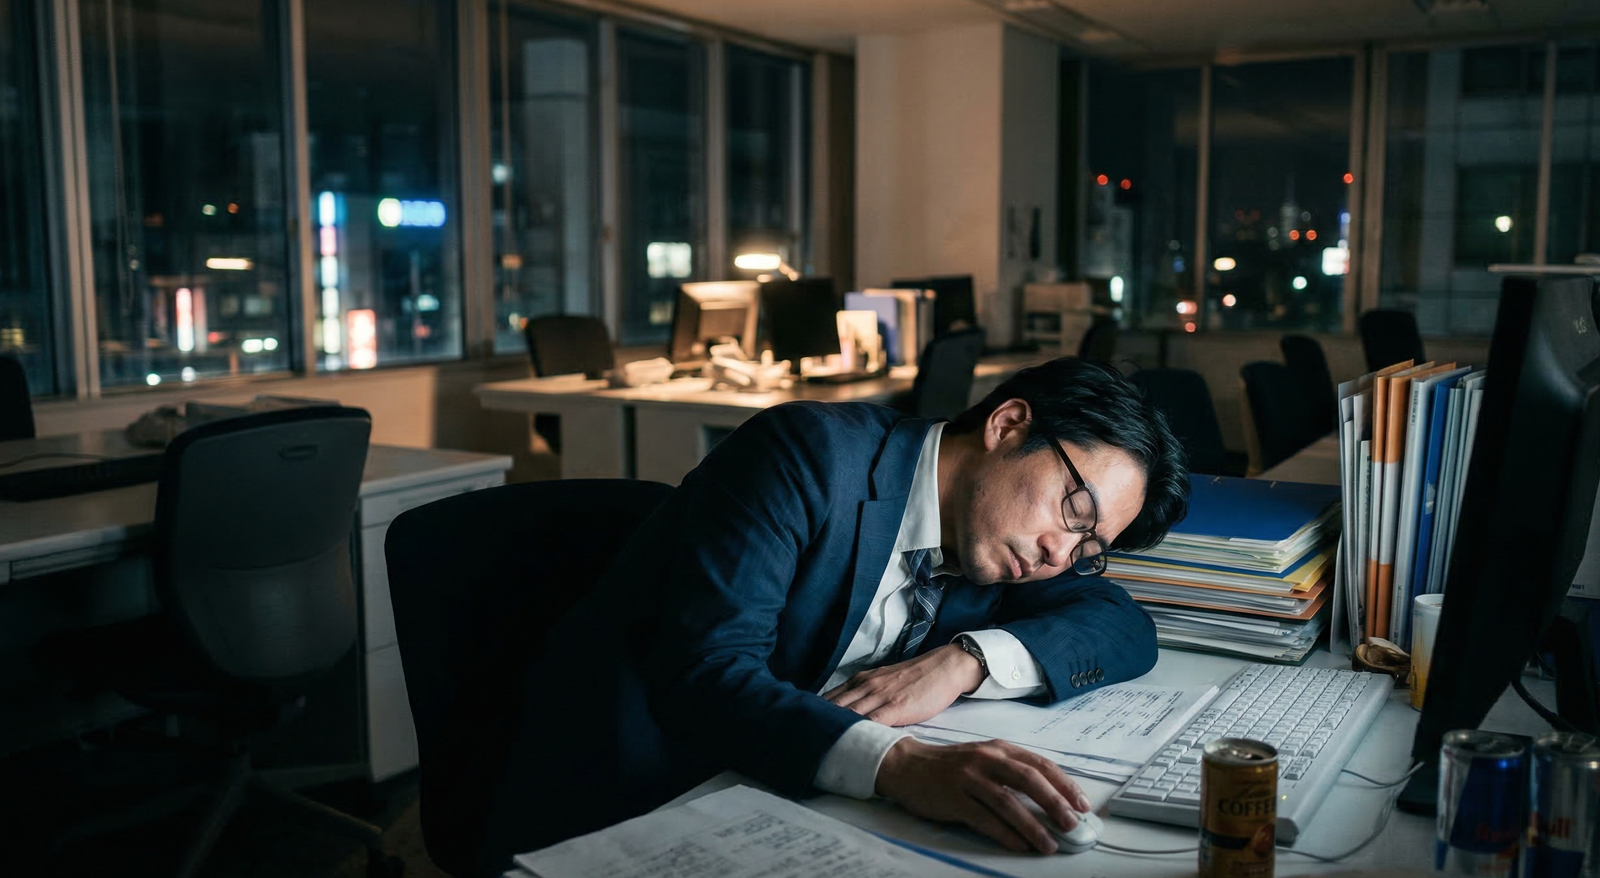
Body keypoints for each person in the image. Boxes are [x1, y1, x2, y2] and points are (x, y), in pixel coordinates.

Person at [476, 357, 1189, 876]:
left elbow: (1122, 624)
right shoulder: (806, 455)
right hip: (640, 786)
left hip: (791, 792)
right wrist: (900, 766)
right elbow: (705, 673)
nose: (1059, 553)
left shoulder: (1001, 542)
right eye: (1075, 511)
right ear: (1007, 425)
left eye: (1089, 546)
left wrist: (963, 662)